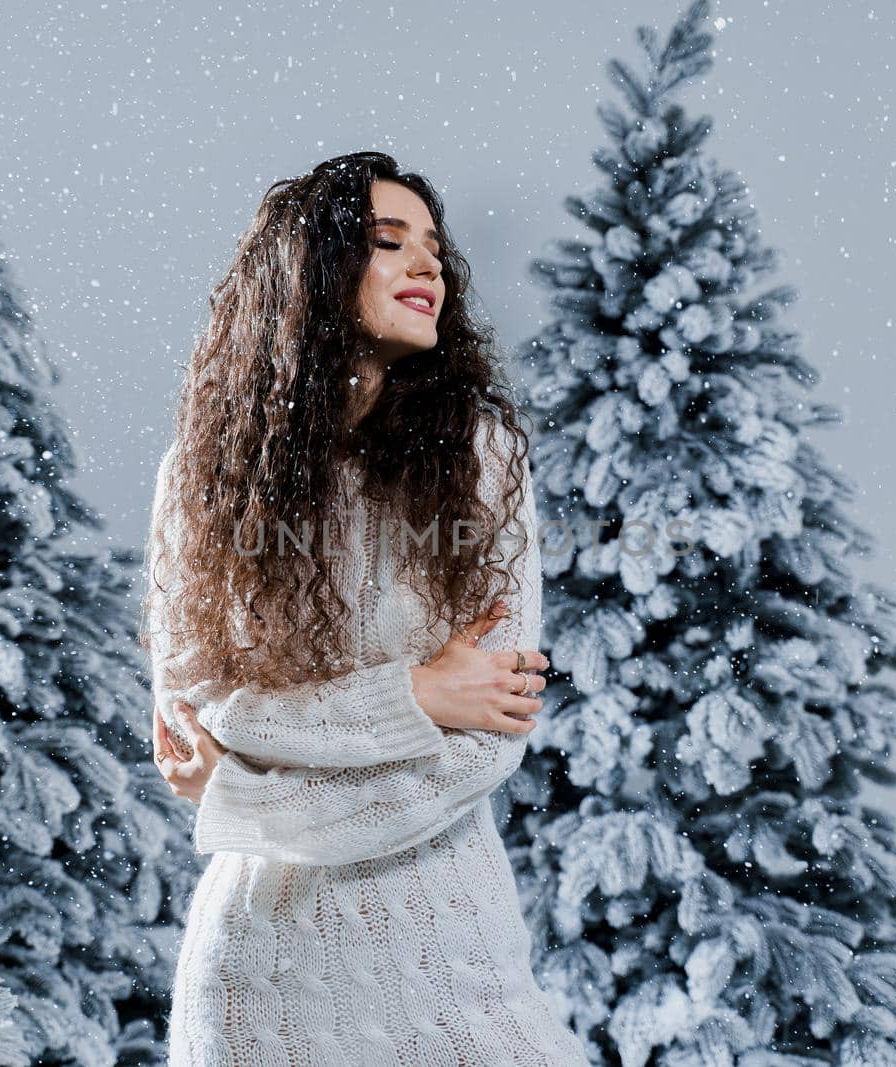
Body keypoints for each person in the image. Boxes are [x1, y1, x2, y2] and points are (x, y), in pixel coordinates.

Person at [139, 151, 591, 1066]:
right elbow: (204, 715)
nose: (428, 264)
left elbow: (485, 744)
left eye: (433, 245)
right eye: (390, 242)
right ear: (313, 270)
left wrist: (250, 797)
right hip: (258, 979)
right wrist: (416, 696)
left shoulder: (482, 459)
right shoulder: (205, 475)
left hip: (454, 960)